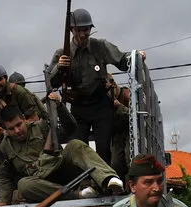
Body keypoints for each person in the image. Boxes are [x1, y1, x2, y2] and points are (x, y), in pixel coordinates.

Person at [48, 8, 146, 166]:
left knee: (103, 148)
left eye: (86, 30)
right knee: (78, 147)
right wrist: (59, 67)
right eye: (78, 30)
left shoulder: (99, 46)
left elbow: (121, 60)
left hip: (101, 104)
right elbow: (52, 83)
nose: (82, 35)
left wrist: (136, 57)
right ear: (72, 30)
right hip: (78, 106)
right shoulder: (62, 53)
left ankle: (105, 185)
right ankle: (84, 185)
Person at [0, 105, 123, 205]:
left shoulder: (41, 127)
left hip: (61, 168)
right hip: (43, 184)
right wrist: (2, 202)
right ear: (5, 129)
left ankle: (108, 179)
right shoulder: (5, 147)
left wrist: (60, 107)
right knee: (23, 185)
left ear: (24, 119)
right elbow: (5, 177)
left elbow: (70, 128)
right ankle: (77, 195)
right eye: (11, 128)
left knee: (75, 144)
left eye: (19, 125)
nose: (17, 131)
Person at [107, 73, 132, 179]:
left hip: (130, 132)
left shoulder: (127, 95)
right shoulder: (104, 101)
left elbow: (136, 117)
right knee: (115, 164)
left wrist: (120, 107)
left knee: (130, 159)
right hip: (116, 135)